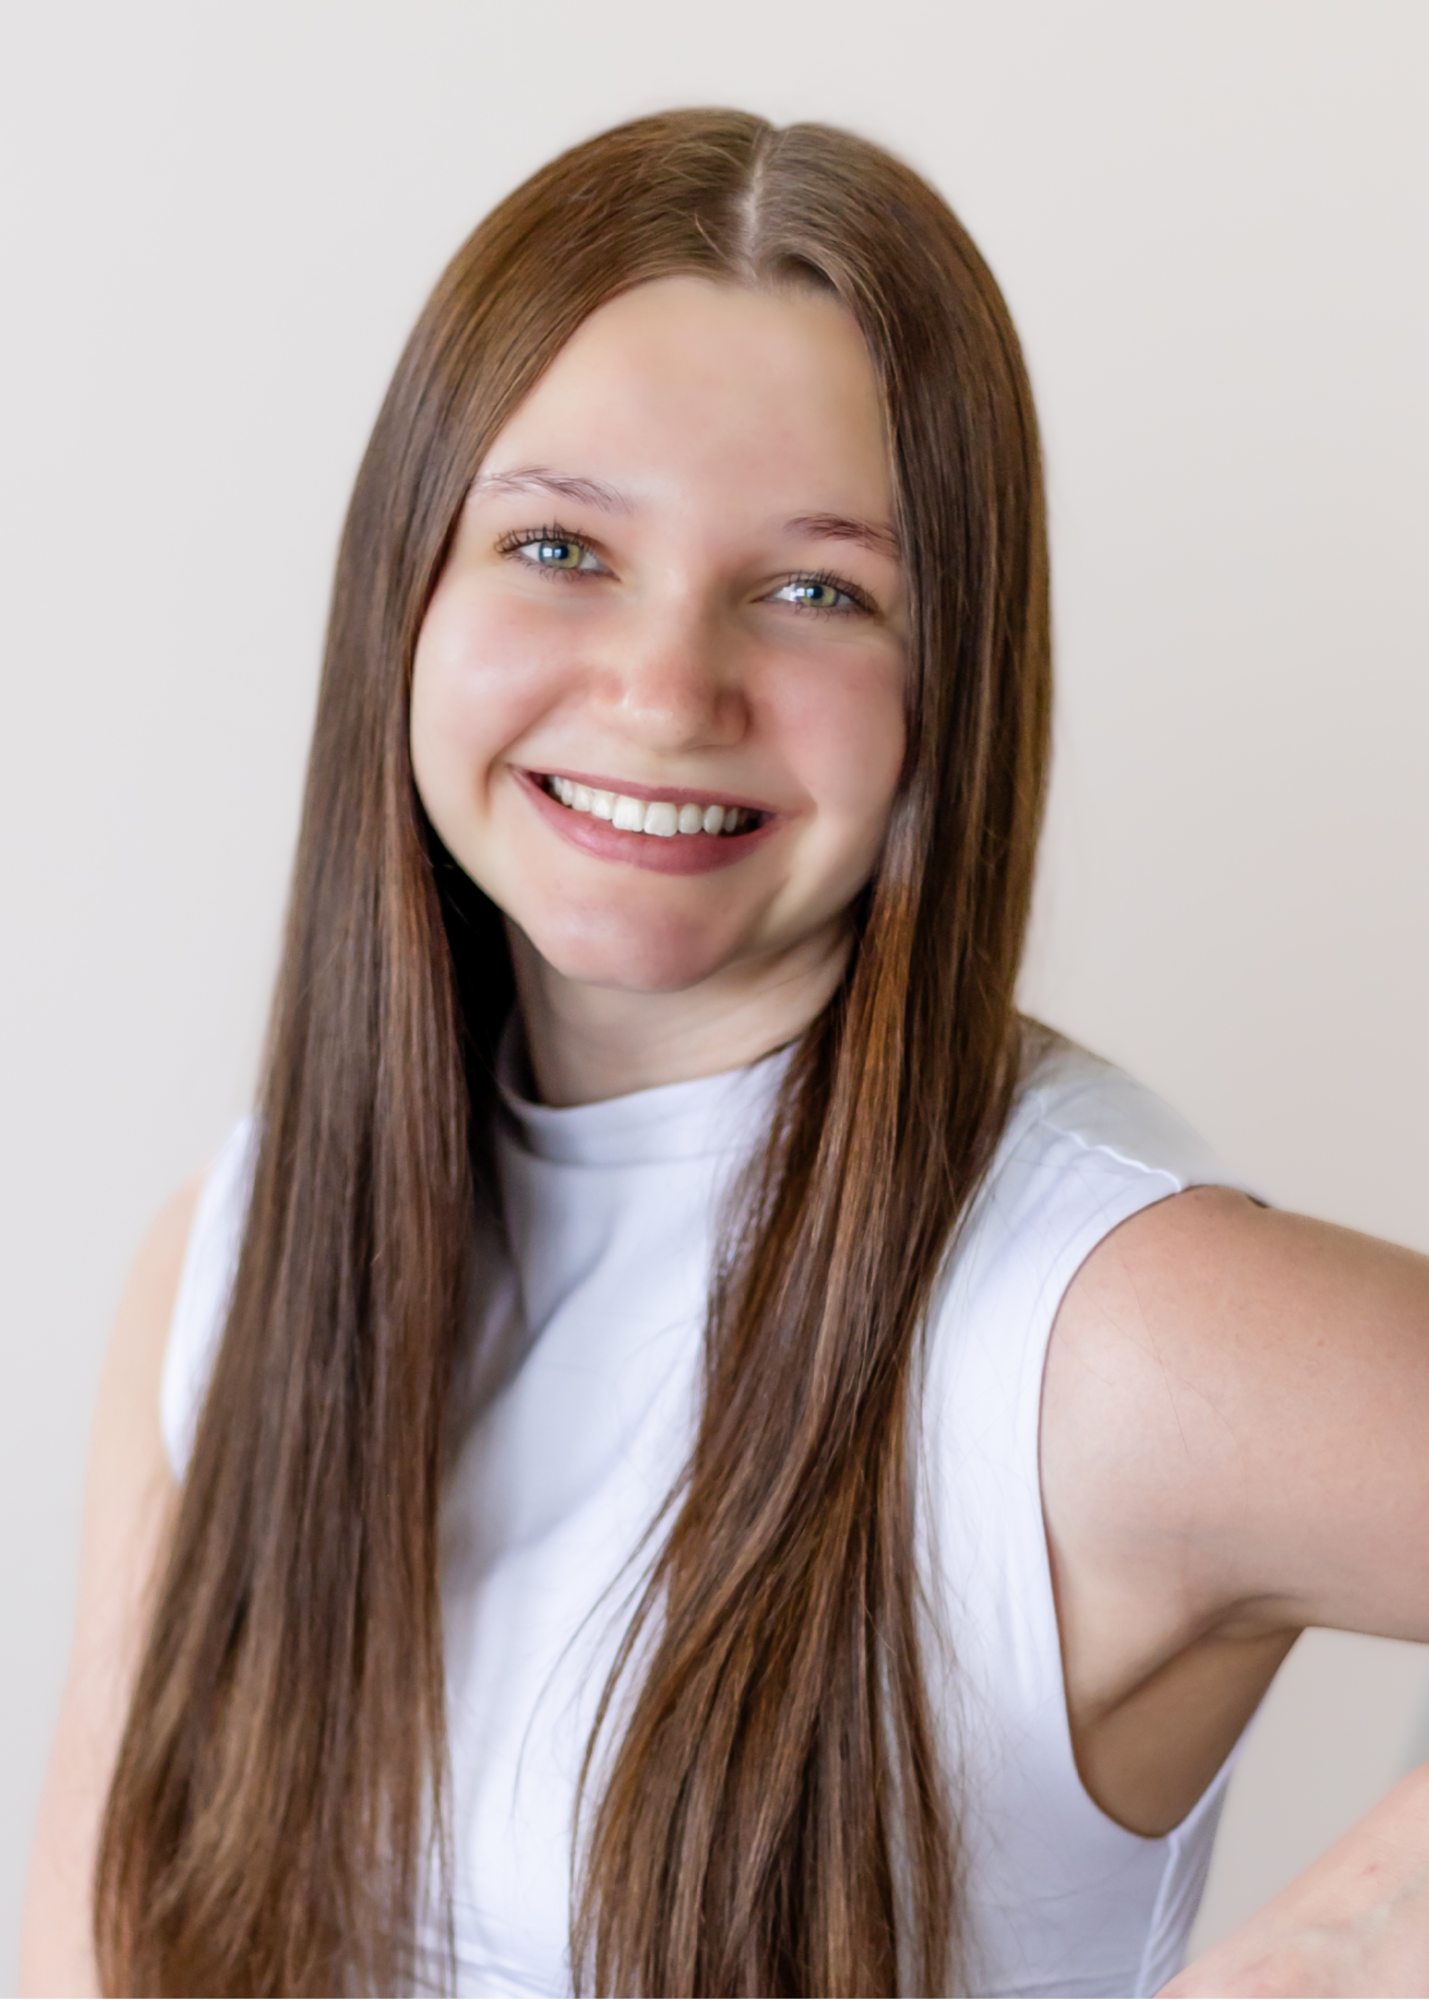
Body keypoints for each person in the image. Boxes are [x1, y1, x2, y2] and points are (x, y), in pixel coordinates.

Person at [18, 108, 1429, 2000]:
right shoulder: (236, 1250)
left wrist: (1335, 1949)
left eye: (818, 588)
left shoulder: (1096, 1324)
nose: (666, 689)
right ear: (407, 588)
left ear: (950, 679)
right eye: (558, 546)